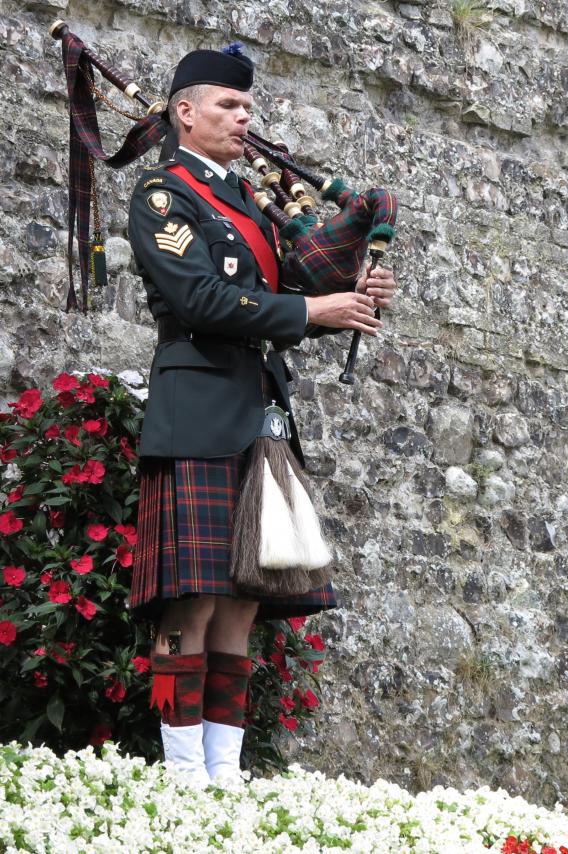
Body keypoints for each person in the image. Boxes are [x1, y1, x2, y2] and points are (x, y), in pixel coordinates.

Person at [127, 46, 397, 784]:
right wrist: (314, 307)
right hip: (199, 404)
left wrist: (350, 296)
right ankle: (184, 779)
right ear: (185, 112)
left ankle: (226, 776)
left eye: (248, 108)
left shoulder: (249, 200)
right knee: (194, 604)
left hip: (258, 408)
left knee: (244, 603)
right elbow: (201, 301)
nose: (244, 118)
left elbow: (291, 296)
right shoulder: (162, 196)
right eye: (228, 106)